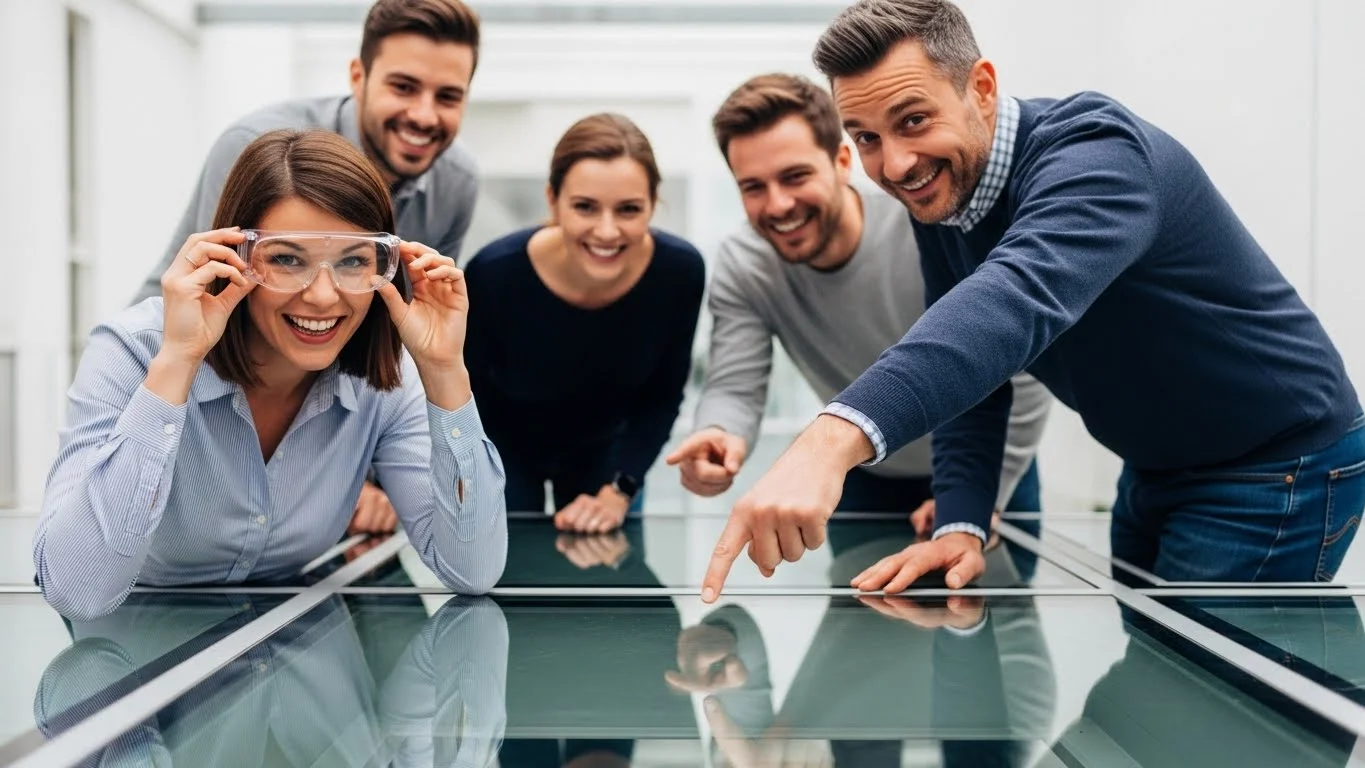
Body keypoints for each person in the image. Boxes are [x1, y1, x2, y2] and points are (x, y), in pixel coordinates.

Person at [701, 0, 1365, 602]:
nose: (895, 164)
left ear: (980, 88)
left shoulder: (1096, 157)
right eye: (867, 137)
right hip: (1158, 465)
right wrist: (961, 521)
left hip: (1273, 464)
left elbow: (1010, 303)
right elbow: (978, 379)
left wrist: (827, 442)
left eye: (913, 120)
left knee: (1211, 707)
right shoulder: (944, 199)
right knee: (1148, 692)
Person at [34, 129, 507, 621]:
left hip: (294, 657)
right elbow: (77, 590)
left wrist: (444, 369)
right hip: (136, 667)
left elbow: (472, 570)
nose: (324, 296)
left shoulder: (386, 378)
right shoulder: (134, 351)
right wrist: (177, 362)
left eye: (352, 261)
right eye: (285, 259)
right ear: (231, 257)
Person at [132, 0, 483, 537]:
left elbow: (399, 319)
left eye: (448, 96)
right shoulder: (256, 144)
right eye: (404, 87)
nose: (424, 115)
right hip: (194, 377)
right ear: (358, 76)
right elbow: (226, 301)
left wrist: (361, 472)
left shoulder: (456, 180)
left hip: (326, 403)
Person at [664, 73, 1051, 535]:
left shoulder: (926, 226)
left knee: (1001, 608)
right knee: (855, 604)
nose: (778, 204)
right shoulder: (746, 263)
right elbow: (736, 382)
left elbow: (1022, 371)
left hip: (988, 468)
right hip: (864, 473)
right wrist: (718, 433)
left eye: (795, 176)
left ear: (843, 160)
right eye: (754, 187)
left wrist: (982, 494)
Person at [463, 113, 705, 533]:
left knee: (613, 577)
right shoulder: (493, 273)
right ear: (553, 200)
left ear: (653, 204)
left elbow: (662, 397)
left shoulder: (679, 272)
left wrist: (620, 489)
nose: (607, 231)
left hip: (608, 453)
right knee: (507, 573)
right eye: (585, 207)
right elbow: (465, 394)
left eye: (628, 209)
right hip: (504, 449)